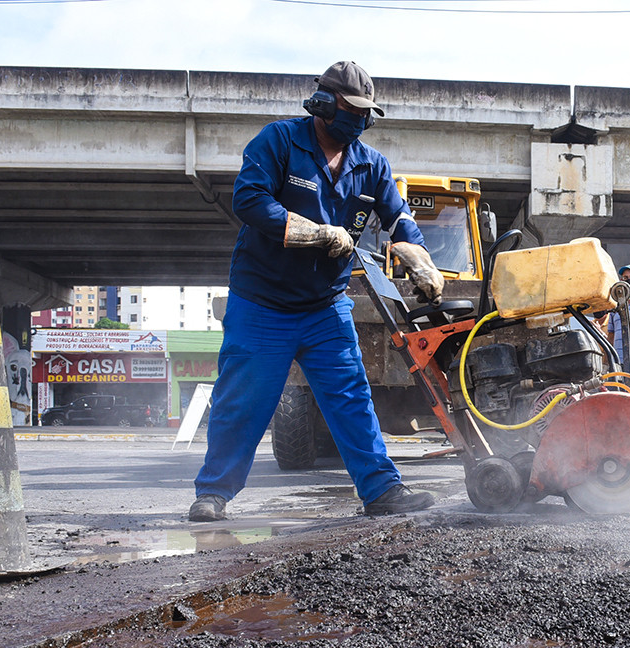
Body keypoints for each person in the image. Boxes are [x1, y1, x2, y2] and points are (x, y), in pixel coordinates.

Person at [190, 61, 443, 522]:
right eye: (351, 110)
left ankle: (382, 491)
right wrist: (317, 233)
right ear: (324, 105)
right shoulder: (280, 141)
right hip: (262, 302)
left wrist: (419, 258)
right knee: (243, 398)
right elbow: (249, 199)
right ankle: (214, 493)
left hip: (326, 304)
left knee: (350, 395)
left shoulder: (371, 164)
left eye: (366, 114)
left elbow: (398, 219)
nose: (359, 121)